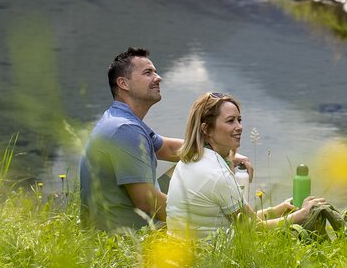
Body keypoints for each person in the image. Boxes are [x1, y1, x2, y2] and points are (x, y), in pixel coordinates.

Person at [79, 47, 253, 233]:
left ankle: (231, 212)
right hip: (123, 237)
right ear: (123, 83)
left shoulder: (123, 119)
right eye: (148, 73)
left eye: (155, 71)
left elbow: (170, 149)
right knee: (198, 173)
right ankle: (235, 218)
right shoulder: (125, 129)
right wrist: (204, 226)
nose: (158, 77)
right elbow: (148, 202)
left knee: (191, 163)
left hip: (117, 225)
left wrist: (225, 155)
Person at [166, 92, 340, 239]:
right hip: (207, 261)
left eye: (239, 120)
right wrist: (301, 216)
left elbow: (243, 220)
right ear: (206, 129)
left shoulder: (190, 160)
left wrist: (279, 210)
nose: (239, 127)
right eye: (230, 121)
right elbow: (253, 229)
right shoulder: (217, 173)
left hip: (182, 252)